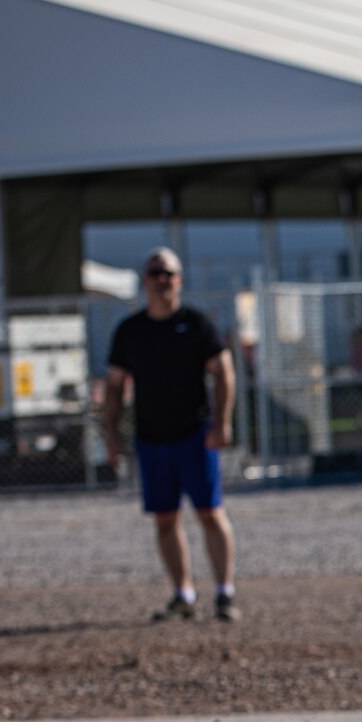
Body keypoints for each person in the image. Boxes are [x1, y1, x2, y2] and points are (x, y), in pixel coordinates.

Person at [101, 248, 240, 622]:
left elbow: (224, 372)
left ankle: (225, 592)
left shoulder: (196, 325)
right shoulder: (131, 331)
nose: (162, 279)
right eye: (155, 273)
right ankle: (183, 593)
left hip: (195, 436)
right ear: (145, 280)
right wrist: (111, 435)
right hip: (151, 439)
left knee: (210, 512)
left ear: (179, 279)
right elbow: (114, 386)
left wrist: (222, 423)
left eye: (169, 273)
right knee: (165, 518)